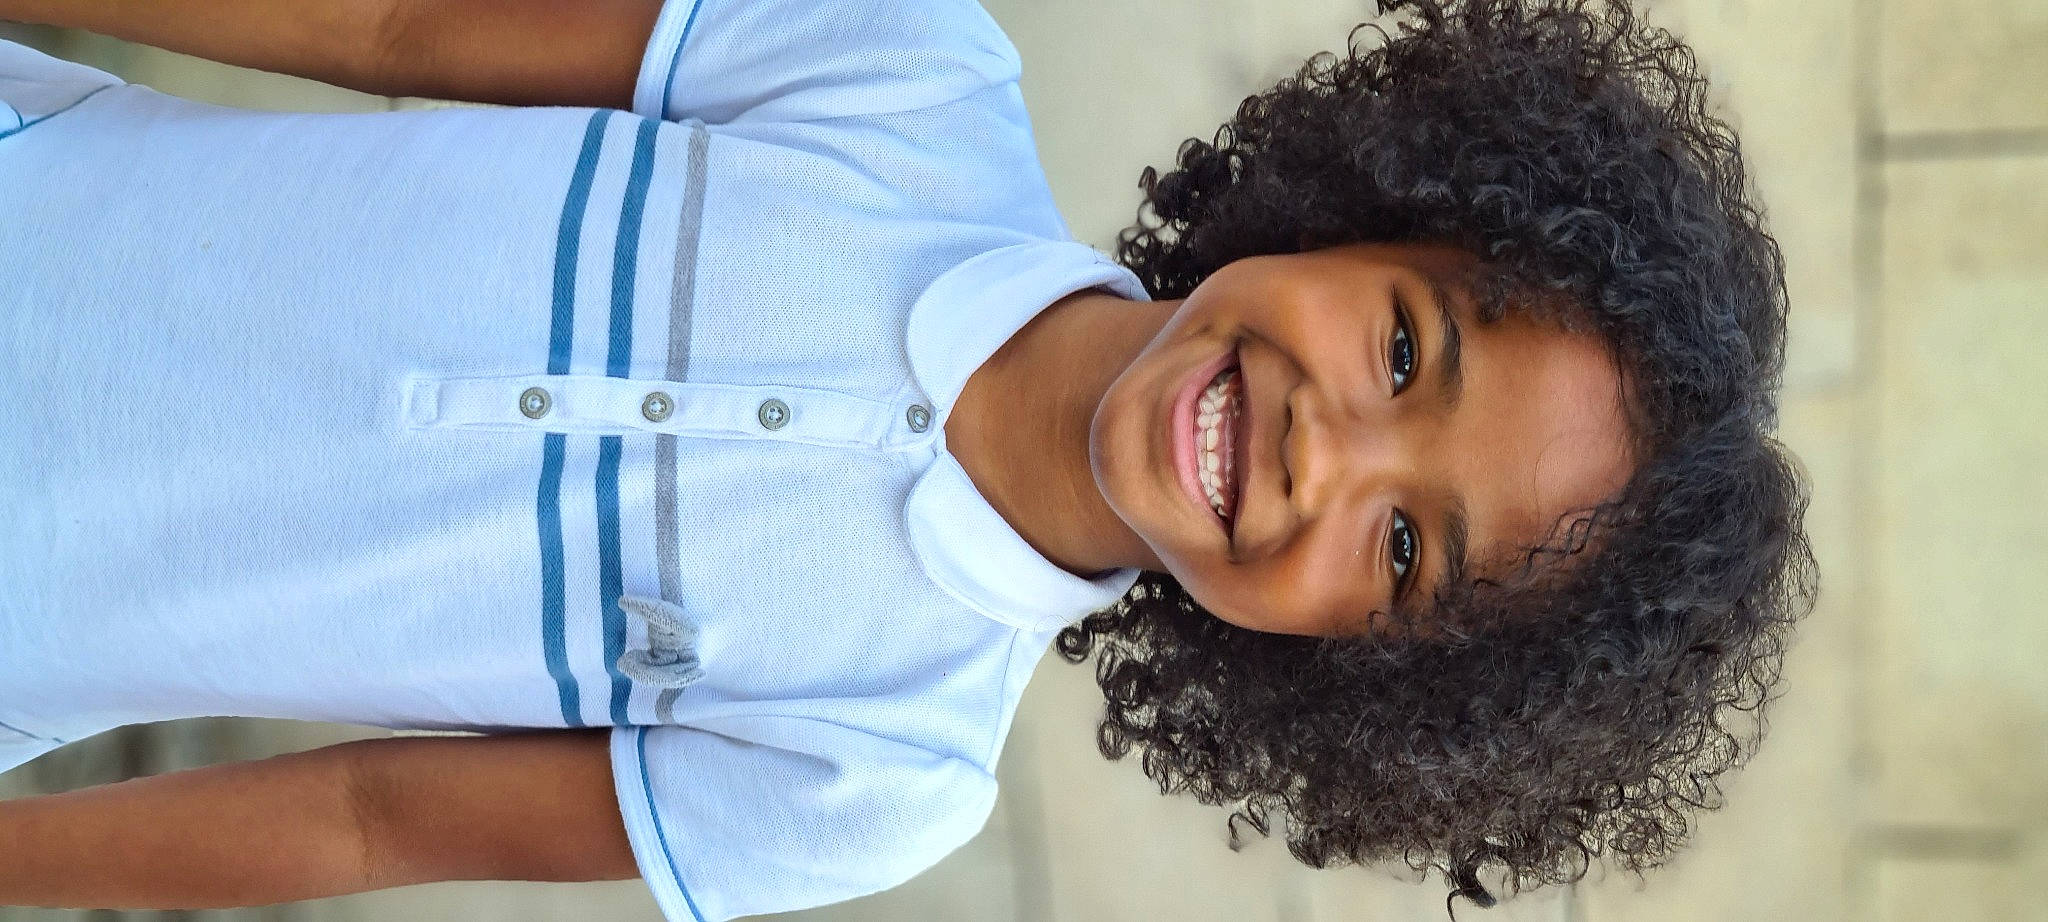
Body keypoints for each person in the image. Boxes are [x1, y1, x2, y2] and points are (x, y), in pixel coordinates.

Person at [0, 0, 1816, 918]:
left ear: (1368, 670)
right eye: (1405, 347)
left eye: (1407, 552)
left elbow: (364, 816)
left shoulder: (886, 770)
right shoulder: (908, 77)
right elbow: (392, 24)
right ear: (1367, 212)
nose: (1325, 453)